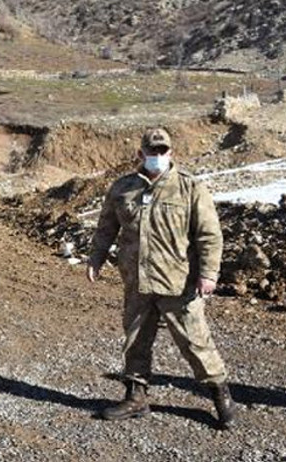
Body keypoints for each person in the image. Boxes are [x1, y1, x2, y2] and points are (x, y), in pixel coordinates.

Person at [87, 128, 237, 429]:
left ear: (171, 153)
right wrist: (96, 257)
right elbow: (106, 227)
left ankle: (221, 395)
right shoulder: (123, 188)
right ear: (140, 153)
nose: (157, 157)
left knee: (195, 343)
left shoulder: (189, 188)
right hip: (137, 280)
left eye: (162, 151)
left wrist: (208, 273)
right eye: (151, 151)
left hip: (178, 282)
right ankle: (136, 398)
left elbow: (209, 235)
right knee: (136, 341)